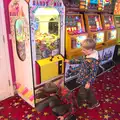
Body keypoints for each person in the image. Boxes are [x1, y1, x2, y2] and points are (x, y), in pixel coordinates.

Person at [65, 38, 100, 110]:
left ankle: (78, 104)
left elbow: (93, 73)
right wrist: (70, 61)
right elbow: (81, 59)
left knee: (82, 93)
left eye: (84, 50)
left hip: (86, 80)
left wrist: (89, 82)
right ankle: (95, 103)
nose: (82, 51)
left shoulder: (94, 61)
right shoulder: (88, 55)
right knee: (89, 91)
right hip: (84, 77)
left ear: (90, 49)